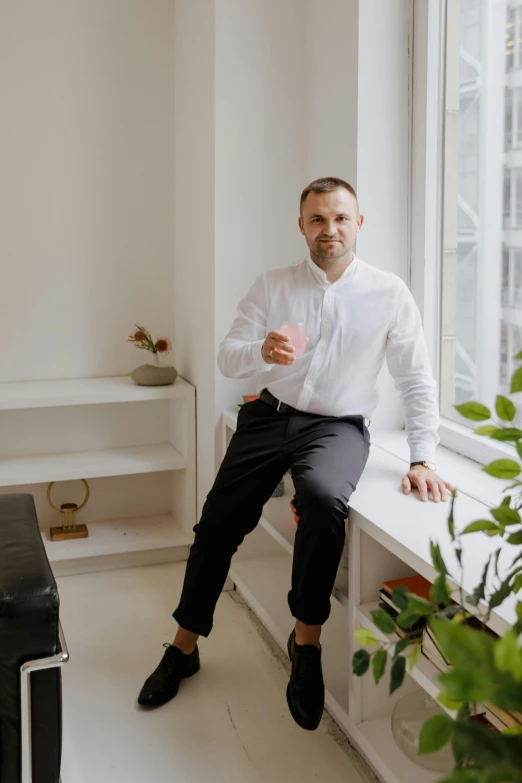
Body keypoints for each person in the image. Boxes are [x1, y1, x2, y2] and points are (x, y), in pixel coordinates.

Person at [137, 176, 454, 731]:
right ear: (301, 225)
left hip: (338, 427)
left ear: (358, 224)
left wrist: (422, 455)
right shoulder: (272, 285)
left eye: (338, 218)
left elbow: (416, 378)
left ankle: (305, 643)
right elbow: (228, 356)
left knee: (324, 499)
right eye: (316, 219)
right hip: (269, 415)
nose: (328, 229)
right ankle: (183, 647)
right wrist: (260, 350)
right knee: (217, 524)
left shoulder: (389, 293)